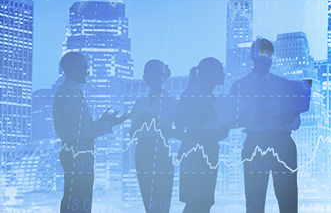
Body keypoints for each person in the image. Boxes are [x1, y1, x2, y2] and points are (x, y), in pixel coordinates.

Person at [230, 38, 311, 213]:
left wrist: (291, 118)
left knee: (288, 198)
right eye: (261, 54)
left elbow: (296, 123)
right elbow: (232, 120)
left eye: (268, 55)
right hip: (255, 143)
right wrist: (254, 116)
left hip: (283, 142)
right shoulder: (239, 86)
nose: (265, 59)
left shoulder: (284, 84)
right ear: (252, 56)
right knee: (254, 199)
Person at [53, 51, 125, 213]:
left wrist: (102, 121)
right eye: (85, 67)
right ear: (74, 68)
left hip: (77, 151)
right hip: (77, 151)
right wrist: (108, 125)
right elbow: (81, 131)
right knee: (78, 199)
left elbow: (80, 127)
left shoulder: (71, 90)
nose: (88, 71)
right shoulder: (70, 93)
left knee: (78, 198)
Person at [174, 57, 227, 213]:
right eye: (220, 71)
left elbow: (209, 129)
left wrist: (223, 128)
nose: (223, 74)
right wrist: (203, 116)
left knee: (204, 202)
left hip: (208, 152)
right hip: (194, 153)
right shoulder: (192, 92)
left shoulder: (211, 96)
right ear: (210, 74)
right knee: (195, 202)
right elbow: (179, 118)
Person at [129, 60, 179, 213]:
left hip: (161, 149)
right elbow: (131, 134)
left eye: (155, 73)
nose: (151, 77)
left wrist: (158, 125)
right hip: (142, 150)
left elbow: (179, 133)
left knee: (162, 196)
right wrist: (139, 123)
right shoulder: (139, 102)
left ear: (163, 76)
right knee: (148, 198)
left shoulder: (172, 103)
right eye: (148, 74)